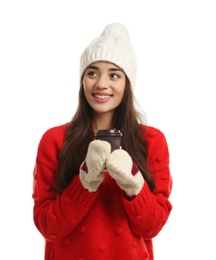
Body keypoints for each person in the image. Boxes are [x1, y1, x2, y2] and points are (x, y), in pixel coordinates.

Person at [32, 22, 173, 260]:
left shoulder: (151, 140)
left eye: (114, 75)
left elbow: (152, 226)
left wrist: (133, 183)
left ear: (127, 84)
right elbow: (48, 227)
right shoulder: (54, 140)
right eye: (92, 72)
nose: (101, 84)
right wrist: (85, 181)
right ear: (82, 80)